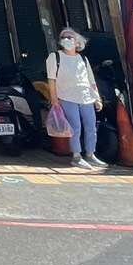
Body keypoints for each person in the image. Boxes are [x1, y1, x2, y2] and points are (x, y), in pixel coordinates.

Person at [46, 28, 107, 170]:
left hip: (86, 97)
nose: (66, 40)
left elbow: (90, 80)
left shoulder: (83, 59)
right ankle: (77, 156)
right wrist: (54, 99)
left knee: (91, 126)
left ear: (78, 42)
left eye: (70, 37)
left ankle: (90, 154)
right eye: (64, 37)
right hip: (67, 97)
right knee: (75, 127)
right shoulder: (55, 57)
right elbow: (51, 80)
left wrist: (97, 98)